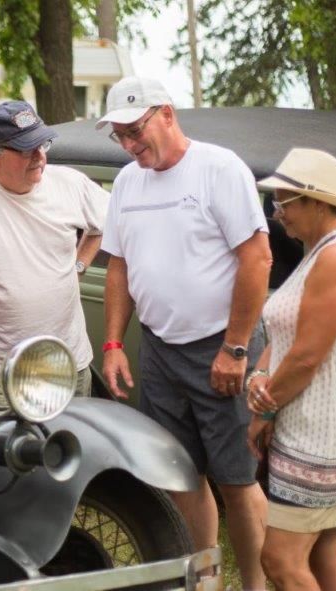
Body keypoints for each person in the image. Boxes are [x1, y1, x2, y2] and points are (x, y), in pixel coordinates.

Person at [97, 77, 272, 590]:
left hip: (222, 348)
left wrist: (236, 349)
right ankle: (207, 580)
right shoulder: (128, 182)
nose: (129, 145)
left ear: (167, 114)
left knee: (237, 481)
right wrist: (112, 343)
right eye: (120, 136)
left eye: (135, 130)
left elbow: (257, 258)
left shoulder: (219, 169)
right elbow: (118, 268)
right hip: (160, 350)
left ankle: (257, 586)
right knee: (180, 475)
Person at [246, 149, 336, 590]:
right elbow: (284, 338)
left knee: (280, 560)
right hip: (309, 425)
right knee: (323, 553)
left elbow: (306, 357)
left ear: (318, 202)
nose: (276, 212)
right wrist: (260, 377)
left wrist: (263, 411)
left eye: (284, 202)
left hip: (323, 436)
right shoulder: (315, 252)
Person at [0, 100, 109, 424]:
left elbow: (107, 224)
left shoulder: (70, 184)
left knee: (74, 465)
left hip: (69, 364)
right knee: (2, 470)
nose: (40, 157)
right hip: (0, 377)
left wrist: (78, 266)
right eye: (26, 149)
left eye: (43, 144)